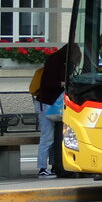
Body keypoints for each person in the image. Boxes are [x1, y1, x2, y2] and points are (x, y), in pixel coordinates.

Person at [35, 43, 80, 178]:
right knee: (47, 137)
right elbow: (50, 83)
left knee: (53, 137)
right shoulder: (56, 61)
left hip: (49, 103)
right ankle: (42, 168)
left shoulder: (59, 60)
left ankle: (53, 165)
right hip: (46, 103)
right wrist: (65, 83)